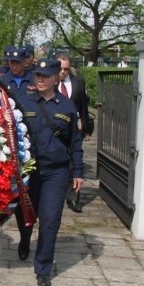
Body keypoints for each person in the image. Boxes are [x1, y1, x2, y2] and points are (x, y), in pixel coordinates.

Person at [17, 58, 84, 286]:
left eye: (45, 76)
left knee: (50, 221)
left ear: (56, 78)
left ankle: (43, 267)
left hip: (56, 172)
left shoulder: (67, 107)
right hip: (30, 169)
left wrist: (79, 171)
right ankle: (25, 239)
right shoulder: (24, 103)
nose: (40, 79)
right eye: (37, 75)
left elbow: (75, 143)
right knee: (26, 214)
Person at [56, 54, 92, 213]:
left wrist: (86, 128)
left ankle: (73, 196)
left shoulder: (78, 83)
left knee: (75, 160)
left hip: (75, 128)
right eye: (60, 69)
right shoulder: (50, 82)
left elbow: (83, 106)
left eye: (66, 69)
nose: (63, 72)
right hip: (55, 129)